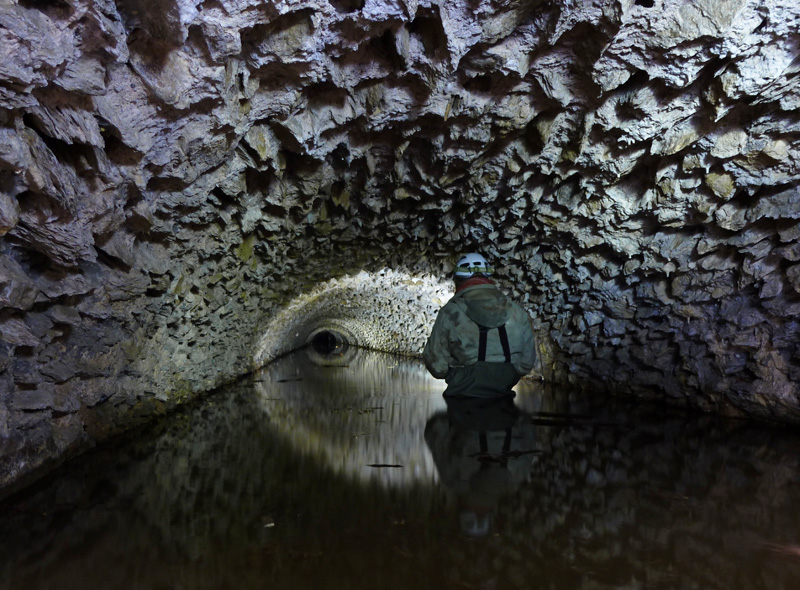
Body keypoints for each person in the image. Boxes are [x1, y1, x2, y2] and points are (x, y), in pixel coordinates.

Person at [423, 252, 536, 397]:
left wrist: (455, 373)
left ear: (458, 280)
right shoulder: (516, 311)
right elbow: (526, 363)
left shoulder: (451, 312)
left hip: (462, 399)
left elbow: (437, 365)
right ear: (487, 277)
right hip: (503, 400)